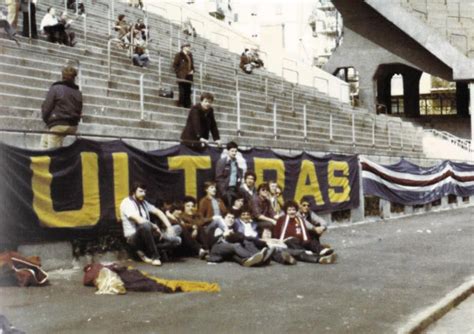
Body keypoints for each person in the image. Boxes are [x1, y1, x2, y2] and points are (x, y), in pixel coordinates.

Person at [120, 182, 181, 266]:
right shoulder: (127, 203)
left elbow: (158, 212)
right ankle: (155, 256)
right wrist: (154, 227)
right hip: (134, 238)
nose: (144, 194)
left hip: (149, 236)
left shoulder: (144, 203)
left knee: (177, 236)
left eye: (145, 192)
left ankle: (149, 248)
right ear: (134, 191)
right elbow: (138, 220)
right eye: (141, 191)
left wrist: (169, 227)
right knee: (145, 225)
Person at [40, 65, 82, 149]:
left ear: (62, 76)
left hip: (58, 124)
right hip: (72, 125)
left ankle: (54, 159)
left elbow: (47, 107)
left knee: (52, 151)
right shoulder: (78, 92)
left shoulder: (56, 88)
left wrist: (47, 120)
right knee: (44, 141)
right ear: (74, 78)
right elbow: (79, 111)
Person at [215, 141, 243, 206]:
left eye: (235, 151)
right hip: (226, 189)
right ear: (228, 151)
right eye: (232, 151)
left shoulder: (236, 162)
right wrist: (223, 192)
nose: (234, 153)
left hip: (234, 189)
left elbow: (237, 175)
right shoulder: (222, 161)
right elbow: (218, 178)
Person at [173, 43, 194, 108]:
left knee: (188, 90)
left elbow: (192, 64)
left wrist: (192, 70)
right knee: (182, 90)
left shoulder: (190, 55)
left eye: (189, 46)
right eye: (187, 46)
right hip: (182, 75)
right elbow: (175, 65)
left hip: (189, 75)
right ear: (183, 47)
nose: (189, 48)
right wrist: (178, 73)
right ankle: (181, 103)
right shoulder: (179, 55)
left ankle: (187, 104)